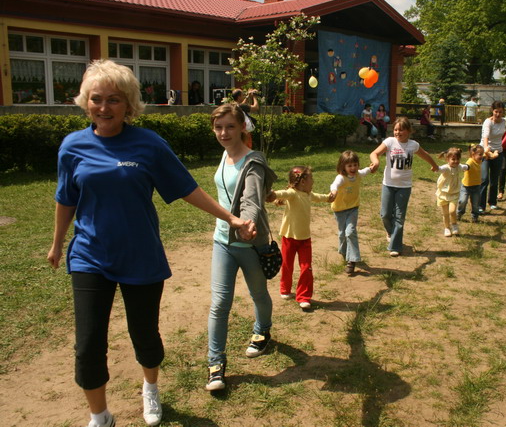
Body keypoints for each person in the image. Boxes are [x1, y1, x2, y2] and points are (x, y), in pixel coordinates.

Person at [46, 60, 255, 427]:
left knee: (144, 333)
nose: (104, 107)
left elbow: (187, 188)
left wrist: (232, 218)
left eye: (114, 100)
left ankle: (150, 387)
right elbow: (66, 199)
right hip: (89, 256)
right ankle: (100, 416)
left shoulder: (148, 144)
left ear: (128, 104)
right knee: (88, 343)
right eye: (97, 99)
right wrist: (57, 243)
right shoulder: (72, 147)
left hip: (140, 256)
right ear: (86, 102)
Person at [206, 103, 277, 392]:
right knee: (220, 303)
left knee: (258, 292)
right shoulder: (224, 156)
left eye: (230, 126)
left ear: (242, 128)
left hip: (248, 241)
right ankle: (215, 364)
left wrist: (246, 223)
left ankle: (262, 332)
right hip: (222, 241)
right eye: (219, 127)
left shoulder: (253, 161)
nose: (224, 132)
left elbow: (251, 198)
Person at [369, 117, 439, 257]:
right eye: (395, 129)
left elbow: (425, 155)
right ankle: (390, 232)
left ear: (408, 131)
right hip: (388, 184)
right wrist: (376, 162)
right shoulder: (389, 142)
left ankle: (396, 246)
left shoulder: (413, 145)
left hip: (404, 187)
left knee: (399, 218)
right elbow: (374, 153)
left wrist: (434, 165)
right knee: (385, 214)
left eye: (401, 129)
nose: (397, 132)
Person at [266, 166, 333, 310]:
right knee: (287, 264)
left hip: (305, 239)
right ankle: (285, 289)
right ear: (303, 181)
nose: (313, 181)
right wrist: (272, 194)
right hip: (289, 237)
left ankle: (303, 297)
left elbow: (319, 197)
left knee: (306, 267)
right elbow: (282, 193)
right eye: (311, 179)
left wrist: (328, 198)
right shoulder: (293, 193)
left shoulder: (308, 194)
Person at [329, 150, 373, 274]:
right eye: (349, 166)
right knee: (342, 233)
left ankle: (352, 260)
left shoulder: (358, 174)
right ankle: (344, 252)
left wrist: (371, 167)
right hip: (339, 210)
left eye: (355, 164)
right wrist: (334, 191)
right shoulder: (341, 178)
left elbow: (366, 171)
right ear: (343, 167)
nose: (353, 168)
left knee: (350, 232)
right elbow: (334, 185)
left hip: (353, 208)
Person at [480, 101, 506, 212]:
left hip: (498, 153)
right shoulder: (488, 122)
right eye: (496, 111)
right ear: (492, 110)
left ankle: (492, 202)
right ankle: (480, 205)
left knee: (494, 180)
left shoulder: (504, 122)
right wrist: (486, 149)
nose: (498, 114)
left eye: (500, 112)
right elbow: (485, 136)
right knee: (484, 179)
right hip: (486, 153)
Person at [436, 147, 469, 236]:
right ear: (447, 159)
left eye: (457, 159)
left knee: (452, 211)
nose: (456, 161)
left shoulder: (459, 167)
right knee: (445, 213)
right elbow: (439, 169)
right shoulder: (446, 168)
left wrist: (468, 166)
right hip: (443, 194)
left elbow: (465, 167)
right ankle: (447, 228)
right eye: (453, 159)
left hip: (454, 193)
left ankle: (454, 224)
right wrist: (435, 168)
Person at [457, 144, 484, 223]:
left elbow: (486, 155)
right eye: (480, 154)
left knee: (475, 204)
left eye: (482, 154)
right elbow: (466, 166)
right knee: (462, 201)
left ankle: (475, 217)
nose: (481, 156)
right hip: (466, 187)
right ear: (473, 154)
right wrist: (461, 167)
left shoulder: (479, 160)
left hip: (476, 187)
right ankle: (459, 213)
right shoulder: (470, 161)